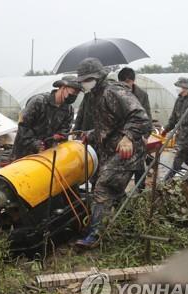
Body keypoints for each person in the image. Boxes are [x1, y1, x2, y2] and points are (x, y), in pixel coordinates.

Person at [74, 58, 152, 248]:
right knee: (113, 190)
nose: (85, 83)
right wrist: (90, 135)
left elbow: (142, 118)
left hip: (128, 150)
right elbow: (108, 127)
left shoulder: (113, 91)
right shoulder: (95, 95)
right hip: (110, 151)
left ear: (98, 77)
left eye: (88, 79)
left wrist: (128, 137)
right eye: (83, 80)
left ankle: (94, 235)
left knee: (103, 187)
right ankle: (134, 224)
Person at [11, 76, 81, 159]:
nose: (74, 96)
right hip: (23, 155)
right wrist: (35, 144)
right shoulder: (39, 102)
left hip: (47, 156)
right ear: (62, 87)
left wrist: (59, 137)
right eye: (73, 92)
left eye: (77, 94)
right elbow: (23, 127)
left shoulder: (68, 110)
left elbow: (64, 132)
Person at [118, 67, 152, 191]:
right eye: (123, 84)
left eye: (128, 83)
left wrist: (146, 136)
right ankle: (120, 193)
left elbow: (147, 117)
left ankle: (140, 190)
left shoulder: (142, 95)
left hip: (138, 135)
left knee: (139, 166)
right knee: (121, 165)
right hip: (122, 136)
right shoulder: (117, 94)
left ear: (132, 81)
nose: (126, 87)